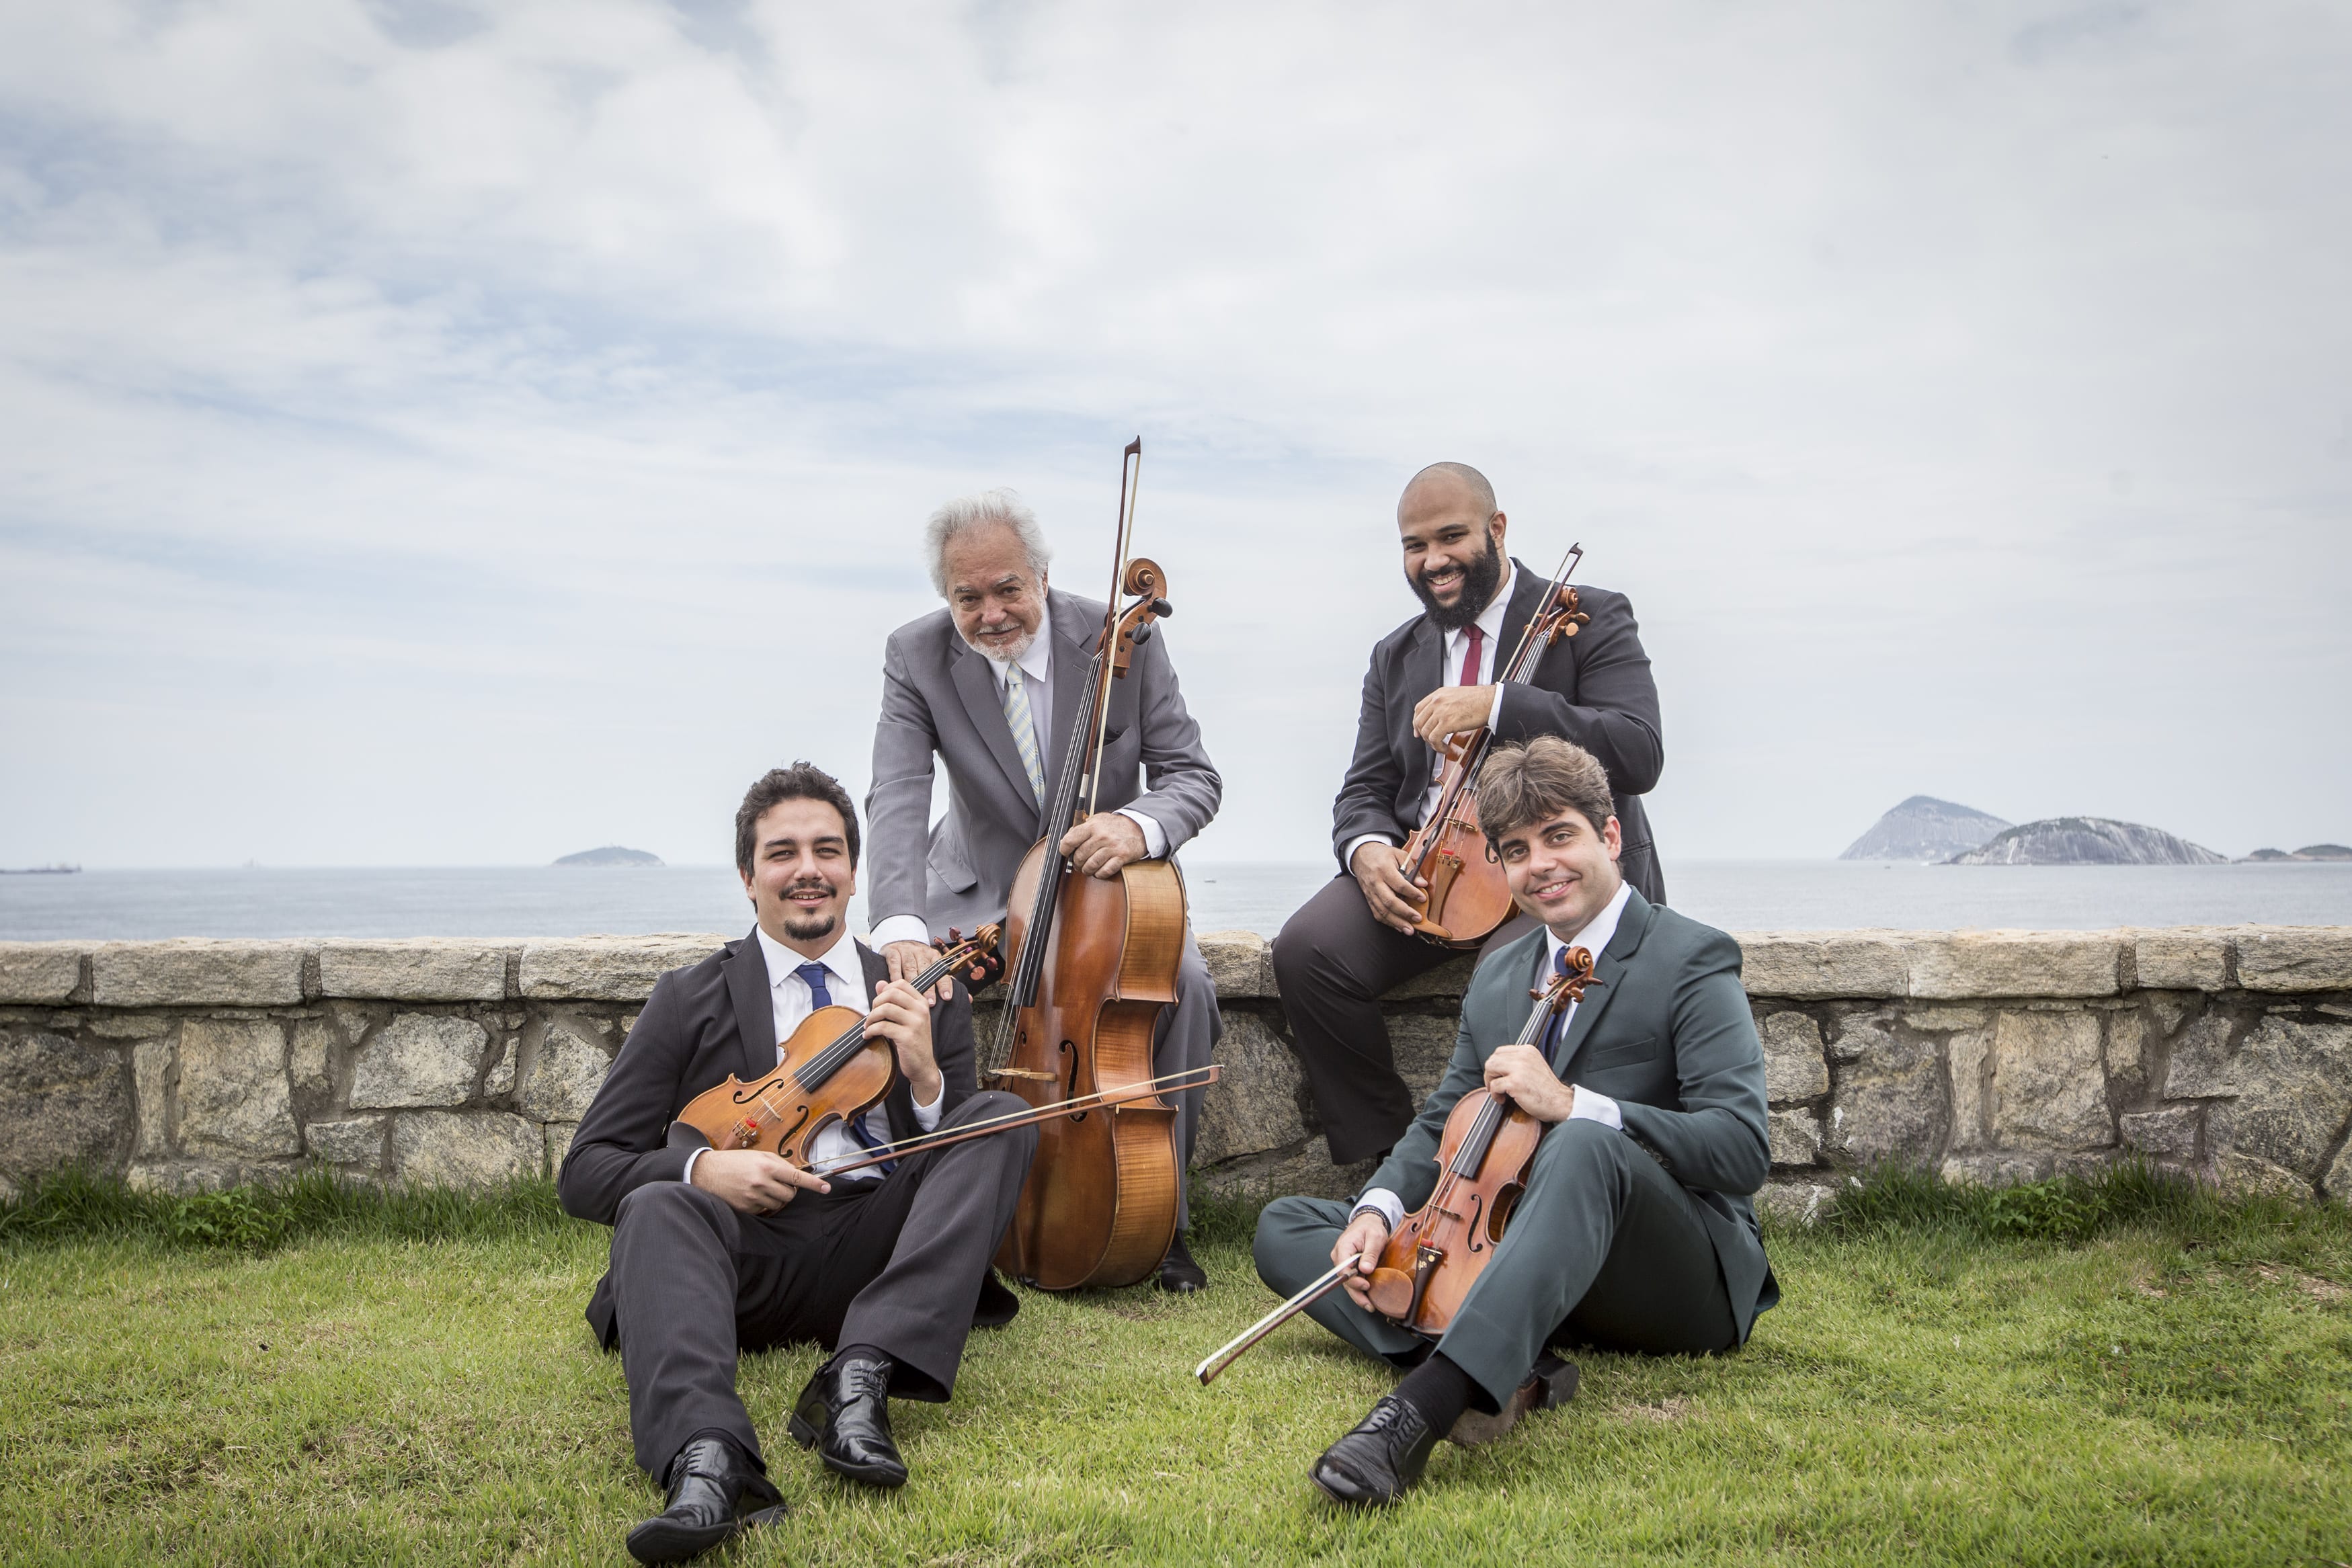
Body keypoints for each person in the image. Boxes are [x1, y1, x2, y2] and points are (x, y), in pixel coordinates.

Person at [1252, 736, 1775, 1507]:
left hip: (1670, 1275)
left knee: (1585, 1144)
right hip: (1517, 1245)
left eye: (1559, 836)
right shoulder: (1502, 969)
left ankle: (1421, 1408)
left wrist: (1574, 1105)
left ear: (1609, 835)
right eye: (1516, 850)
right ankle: (1515, 1360)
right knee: (1290, 1228)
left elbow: (1739, 1150)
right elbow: (1444, 1116)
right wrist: (1377, 1210)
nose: (1542, 865)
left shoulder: (1691, 957)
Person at [559, 764, 1037, 1563]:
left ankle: (858, 1378)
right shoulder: (687, 996)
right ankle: (709, 1459)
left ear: (854, 873)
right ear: (749, 877)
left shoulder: (918, 989)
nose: (806, 868)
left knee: (1000, 1117)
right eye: (781, 852)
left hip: (874, 1253)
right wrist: (702, 1172)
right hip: (742, 1259)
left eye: (827, 849)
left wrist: (924, 1078)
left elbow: (959, 1165)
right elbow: (586, 1169)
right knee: (658, 1201)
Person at [866, 489, 1224, 1292]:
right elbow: (896, 789)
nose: (991, 612)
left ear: (1042, 575)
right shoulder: (914, 653)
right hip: (980, 893)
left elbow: (1192, 775)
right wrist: (897, 919)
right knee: (908, 995)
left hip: (1107, 899)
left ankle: (1162, 1217)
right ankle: (940, 1207)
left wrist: (1138, 826)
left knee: (1187, 987)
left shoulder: (1119, 636)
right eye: (968, 597)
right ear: (945, 596)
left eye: (1007, 589)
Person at [1272, 461, 1668, 1168]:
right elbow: (1364, 786)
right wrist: (1366, 850)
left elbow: (1637, 752)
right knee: (1308, 950)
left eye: (1450, 537)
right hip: (1430, 871)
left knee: (1507, 980)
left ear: (1497, 528)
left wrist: (1498, 704)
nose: (1433, 561)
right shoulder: (1396, 654)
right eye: (1413, 545)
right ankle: (1390, 1164)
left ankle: (1501, 1175)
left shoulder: (1588, 616)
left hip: (1546, 874)